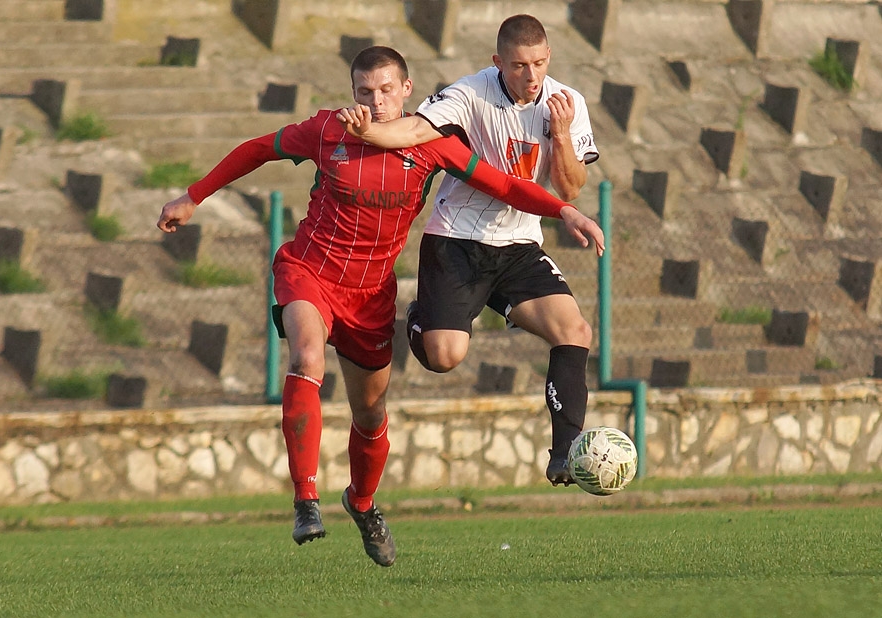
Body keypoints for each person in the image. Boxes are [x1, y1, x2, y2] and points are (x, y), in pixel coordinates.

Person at [157, 45, 603, 566]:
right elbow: (258, 148)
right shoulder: (328, 131)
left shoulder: (431, 145)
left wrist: (565, 211)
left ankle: (363, 504)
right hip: (310, 271)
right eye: (365, 91)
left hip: (371, 295)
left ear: (407, 90)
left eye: (387, 90)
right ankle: (306, 499)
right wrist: (194, 195)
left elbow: (504, 184)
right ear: (352, 94)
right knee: (307, 357)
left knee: (370, 413)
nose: (376, 100)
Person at [337, 15, 602, 487]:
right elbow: (416, 131)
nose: (532, 75)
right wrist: (368, 133)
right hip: (457, 240)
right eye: (520, 65)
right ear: (498, 62)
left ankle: (566, 453)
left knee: (575, 330)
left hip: (520, 244)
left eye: (539, 63)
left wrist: (560, 134)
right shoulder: (469, 93)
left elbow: (572, 187)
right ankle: (423, 315)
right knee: (443, 356)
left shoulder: (568, 103)